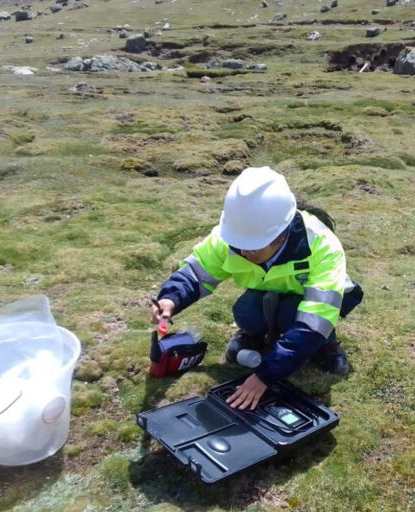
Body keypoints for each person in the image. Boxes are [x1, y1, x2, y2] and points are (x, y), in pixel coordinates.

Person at [150, 166, 363, 411]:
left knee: (295, 318)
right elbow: (195, 275)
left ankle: (326, 346)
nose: (242, 253)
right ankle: (252, 335)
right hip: (266, 291)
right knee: (246, 313)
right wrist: (170, 299)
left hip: (316, 302)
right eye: (238, 245)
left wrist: (265, 375)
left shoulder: (321, 244)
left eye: (253, 248)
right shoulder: (230, 237)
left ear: (282, 235)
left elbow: (314, 320)